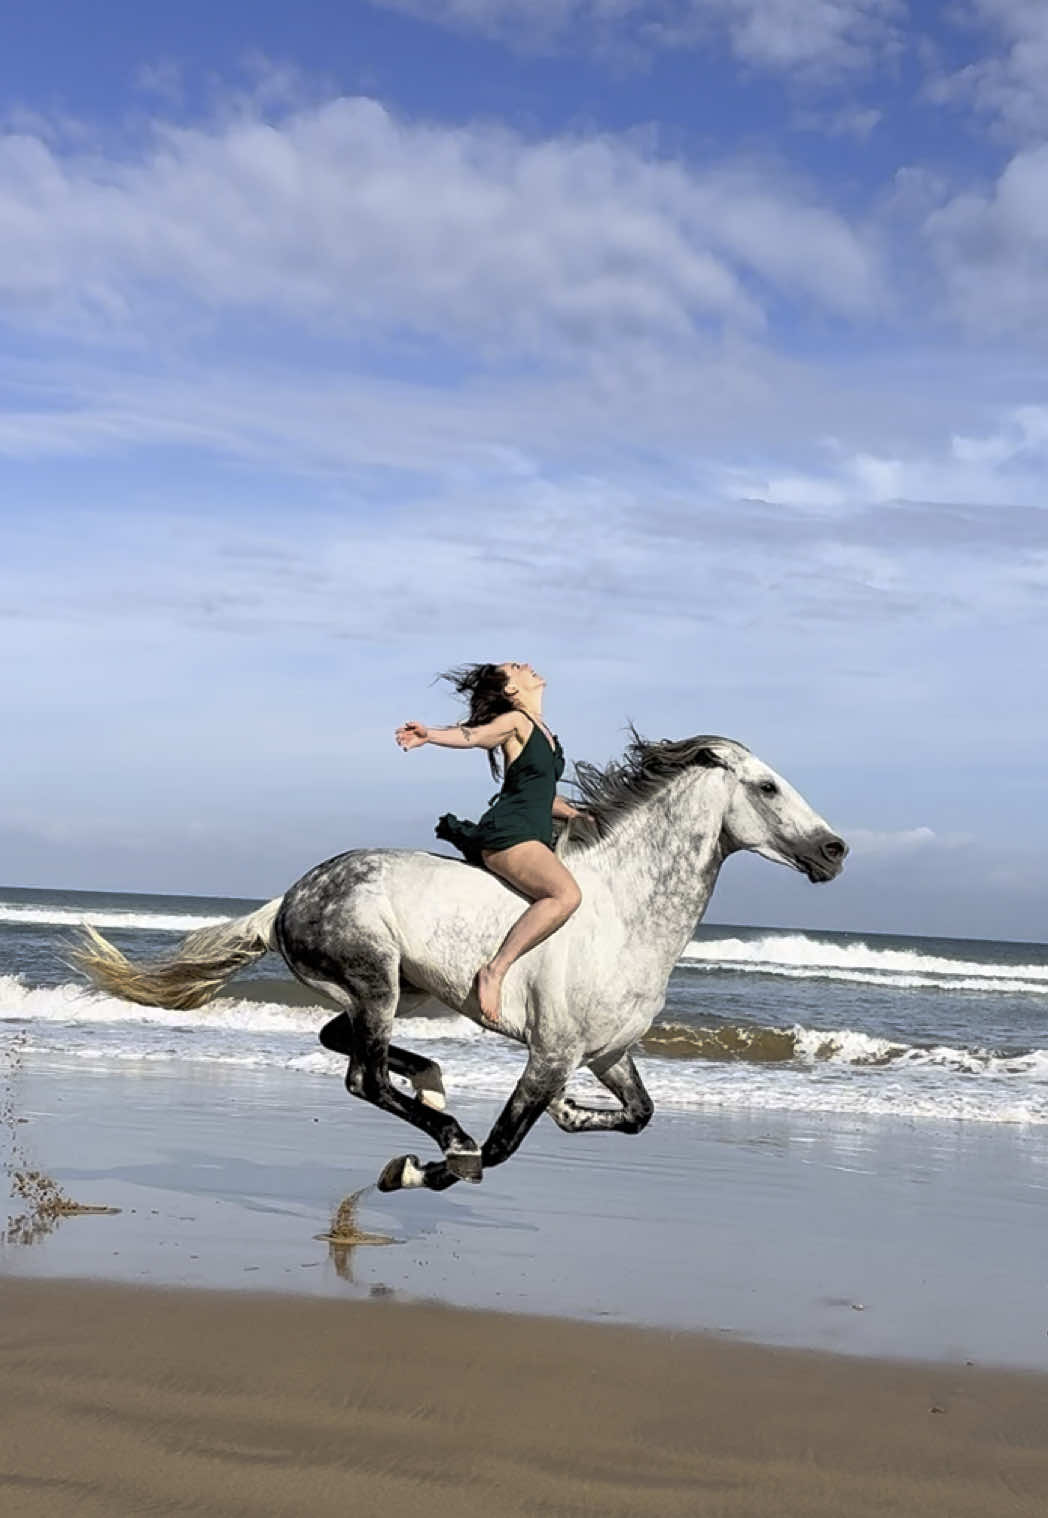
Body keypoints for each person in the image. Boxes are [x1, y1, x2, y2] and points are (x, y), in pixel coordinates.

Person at [395, 662, 582, 1025]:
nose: (526, 665)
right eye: (515, 667)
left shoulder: (545, 732)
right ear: (511, 690)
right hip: (511, 833)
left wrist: (578, 816)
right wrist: (430, 734)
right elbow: (475, 735)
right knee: (565, 896)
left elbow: (541, 795)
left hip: (533, 828)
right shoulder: (515, 721)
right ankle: (495, 971)